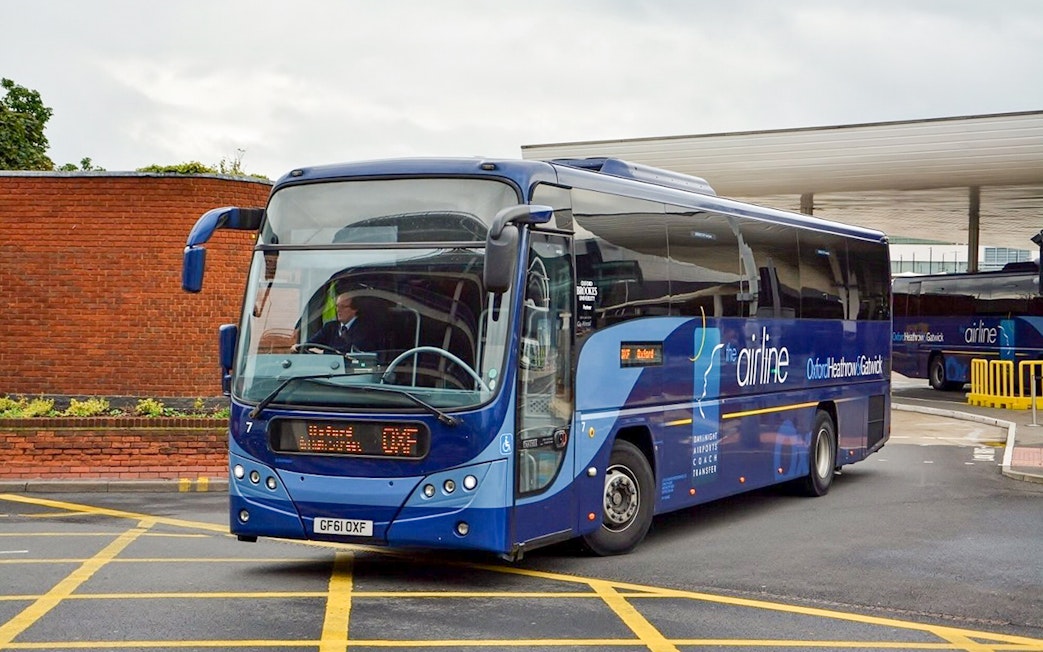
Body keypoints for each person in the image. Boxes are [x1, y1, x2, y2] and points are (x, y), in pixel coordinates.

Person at [293, 293, 382, 354]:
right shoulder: (330, 327)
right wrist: (299, 347)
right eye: (337, 306)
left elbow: (352, 351)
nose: (338, 310)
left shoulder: (365, 328)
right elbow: (311, 344)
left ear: (354, 309)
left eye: (343, 306)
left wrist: (323, 352)